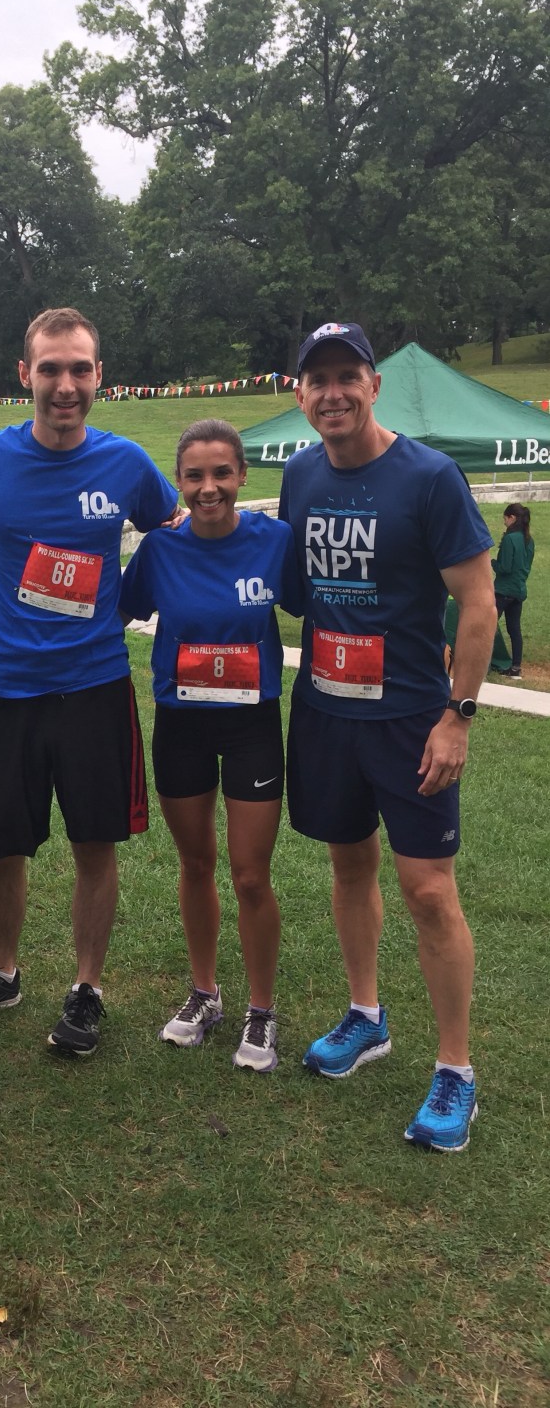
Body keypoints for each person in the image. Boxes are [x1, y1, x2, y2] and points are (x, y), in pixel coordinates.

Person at [0, 307, 180, 1056]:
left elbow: (178, 541)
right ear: (25, 375)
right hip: (8, 686)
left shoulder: (128, 464)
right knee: (1, 846)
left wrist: (152, 598)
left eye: (78, 369)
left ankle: (87, 989)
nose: (64, 385)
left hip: (95, 687)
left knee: (93, 844)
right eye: (50, 369)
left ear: (99, 375)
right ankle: (3, 973)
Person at [279, 321, 496, 1152]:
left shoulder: (429, 477)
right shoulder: (300, 475)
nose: (333, 393)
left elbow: (477, 601)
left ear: (373, 386)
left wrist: (457, 717)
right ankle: (366, 1015)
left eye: (348, 377)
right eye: (318, 380)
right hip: (326, 711)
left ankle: (456, 1070)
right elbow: (294, 590)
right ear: (301, 395)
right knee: (349, 865)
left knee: (429, 890)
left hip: (410, 718)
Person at [120, 420, 300, 1072]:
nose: (208, 488)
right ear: (179, 482)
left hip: (251, 725)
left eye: (221, 473)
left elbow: (322, 604)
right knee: (195, 863)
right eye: (194, 476)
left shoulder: (275, 541)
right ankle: (204, 994)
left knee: (251, 874)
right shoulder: (160, 549)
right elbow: (114, 613)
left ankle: (261, 1009)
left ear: (242, 475)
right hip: (182, 725)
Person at [491, 504, 534, 680]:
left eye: (505, 518)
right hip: (519, 590)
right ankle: (516, 668)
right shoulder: (529, 540)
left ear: (512, 518)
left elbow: (505, 568)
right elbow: (526, 566)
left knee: (488, 626)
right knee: (514, 630)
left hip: (503, 590)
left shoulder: (510, 539)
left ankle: (482, 663)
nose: (504, 522)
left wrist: (492, 562)